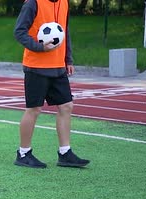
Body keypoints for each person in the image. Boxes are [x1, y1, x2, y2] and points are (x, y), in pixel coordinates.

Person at [13, 0, 90, 168]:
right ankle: (23, 153)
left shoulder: (64, 3)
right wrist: (39, 47)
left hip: (58, 67)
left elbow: (65, 31)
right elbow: (19, 32)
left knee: (66, 106)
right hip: (36, 67)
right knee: (34, 109)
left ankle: (65, 153)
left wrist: (67, 58)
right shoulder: (32, 3)